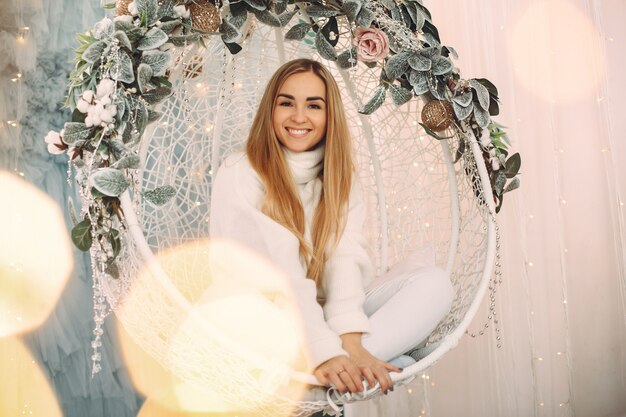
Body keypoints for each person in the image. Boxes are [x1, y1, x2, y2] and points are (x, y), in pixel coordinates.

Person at [210, 58, 453, 396]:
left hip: (325, 315)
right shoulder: (242, 173)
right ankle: (346, 371)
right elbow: (281, 279)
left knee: (435, 284)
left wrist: (350, 342)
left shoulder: (338, 174)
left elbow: (344, 259)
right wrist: (322, 350)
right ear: (271, 110)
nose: (299, 117)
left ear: (329, 115)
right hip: (267, 318)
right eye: (286, 103)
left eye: (313, 105)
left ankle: (335, 375)